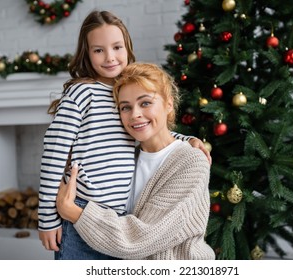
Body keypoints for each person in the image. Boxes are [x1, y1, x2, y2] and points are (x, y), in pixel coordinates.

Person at [38, 11, 210, 260]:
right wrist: (47, 219)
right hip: (81, 210)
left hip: (115, 219)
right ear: (87, 54)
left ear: (128, 48)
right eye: (98, 50)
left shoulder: (123, 91)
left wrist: (185, 139)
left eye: (117, 47)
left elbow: (143, 130)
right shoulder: (81, 93)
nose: (109, 57)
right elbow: (54, 152)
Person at [56, 62, 215, 260]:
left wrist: (73, 212)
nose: (135, 115)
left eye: (145, 103)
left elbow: (141, 237)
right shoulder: (127, 158)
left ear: (168, 104)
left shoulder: (191, 162)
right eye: (125, 107)